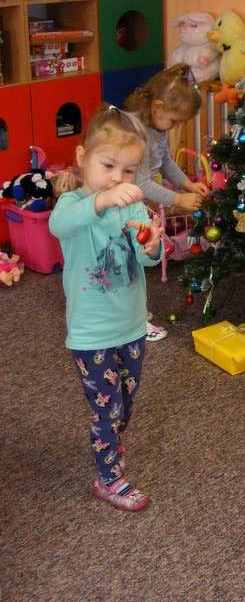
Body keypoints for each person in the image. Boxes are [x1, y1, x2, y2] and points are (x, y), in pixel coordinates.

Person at [49, 106, 164, 511]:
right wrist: (102, 200)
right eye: (109, 166)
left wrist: (152, 246)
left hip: (131, 326)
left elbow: (146, 258)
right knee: (108, 409)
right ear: (83, 158)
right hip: (91, 333)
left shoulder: (131, 207)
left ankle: (111, 442)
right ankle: (109, 478)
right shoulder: (72, 205)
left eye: (129, 171)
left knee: (125, 403)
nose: (118, 178)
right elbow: (58, 227)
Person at [125, 62, 209, 341]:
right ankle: (132, 322)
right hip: (122, 205)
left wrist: (186, 183)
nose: (175, 127)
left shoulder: (157, 128)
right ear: (158, 107)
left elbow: (165, 162)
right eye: (174, 121)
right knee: (127, 263)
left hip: (133, 202)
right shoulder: (137, 132)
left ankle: (133, 313)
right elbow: (140, 182)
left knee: (135, 262)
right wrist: (178, 198)